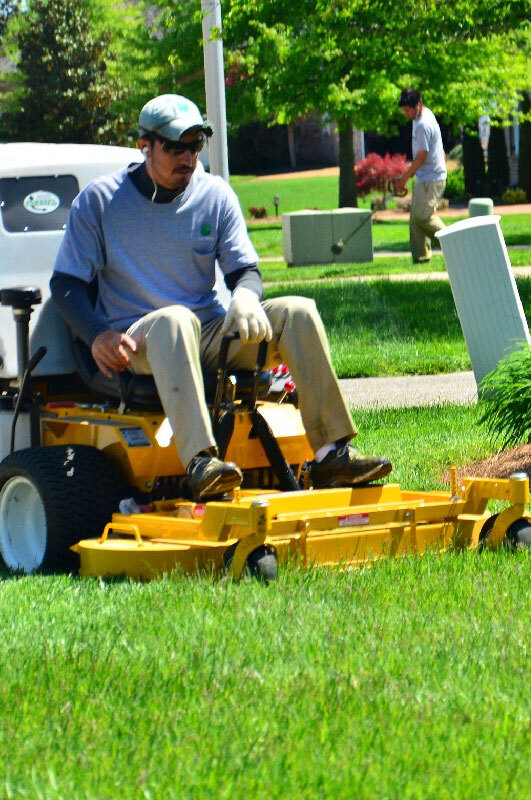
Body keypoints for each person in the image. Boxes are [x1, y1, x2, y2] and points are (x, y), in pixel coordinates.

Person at [50, 93, 391, 500]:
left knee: (298, 311)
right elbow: (66, 284)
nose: (188, 158)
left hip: (207, 332)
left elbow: (244, 271)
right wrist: (96, 334)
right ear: (145, 146)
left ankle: (331, 454)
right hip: (138, 339)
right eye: (175, 147)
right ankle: (201, 462)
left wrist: (246, 298)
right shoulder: (100, 202)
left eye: (195, 146)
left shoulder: (215, 195)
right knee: (176, 319)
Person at [394, 88, 448, 264]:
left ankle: (454, 245)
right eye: (403, 110)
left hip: (431, 178)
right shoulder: (423, 116)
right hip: (426, 176)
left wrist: (403, 179)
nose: (405, 114)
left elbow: (421, 156)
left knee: (423, 216)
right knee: (415, 218)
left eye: (407, 110)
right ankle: (421, 257)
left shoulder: (424, 124)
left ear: (418, 106)